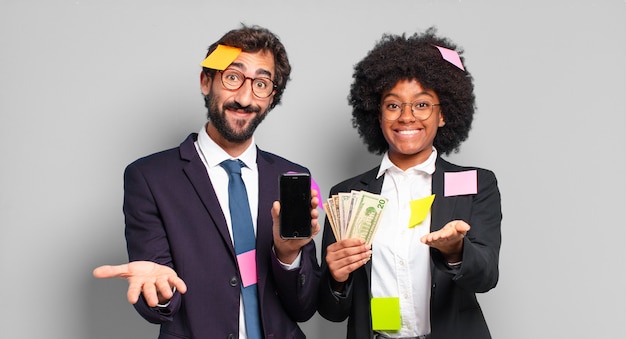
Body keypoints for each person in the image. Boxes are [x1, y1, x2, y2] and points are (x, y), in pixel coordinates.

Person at [93, 24, 321, 339]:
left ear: (272, 98)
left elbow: (305, 308)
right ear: (206, 81)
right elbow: (159, 305)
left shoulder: (291, 178)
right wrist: (158, 289)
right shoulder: (149, 178)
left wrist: (288, 256)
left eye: (261, 84)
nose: (244, 97)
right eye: (232, 77)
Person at [317, 27, 502, 339]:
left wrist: (456, 251)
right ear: (377, 115)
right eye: (393, 105)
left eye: (421, 104)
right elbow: (332, 311)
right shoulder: (347, 195)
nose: (406, 116)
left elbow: (486, 277)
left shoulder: (475, 183)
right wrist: (335, 278)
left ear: (443, 115)